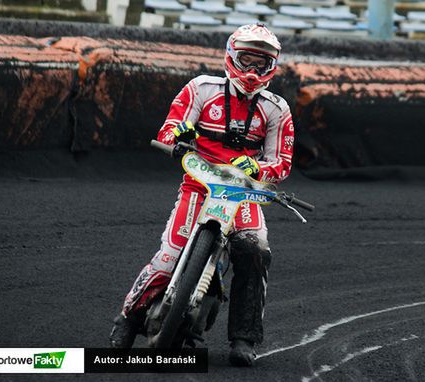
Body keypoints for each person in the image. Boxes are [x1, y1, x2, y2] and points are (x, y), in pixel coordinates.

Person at [109, 23, 294, 367]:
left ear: (272, 68)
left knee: (255, 250)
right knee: (169, 256)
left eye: (261, 64)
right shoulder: (201, 88)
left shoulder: (276, 109)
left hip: (242, 193)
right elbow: (168, 129)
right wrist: (179, 135)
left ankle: (244, 338)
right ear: (230, 56)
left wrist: (257, 169)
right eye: (247, 60)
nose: (253, 71)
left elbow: (280, 164)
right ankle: (127, 319)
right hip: (199, 183)